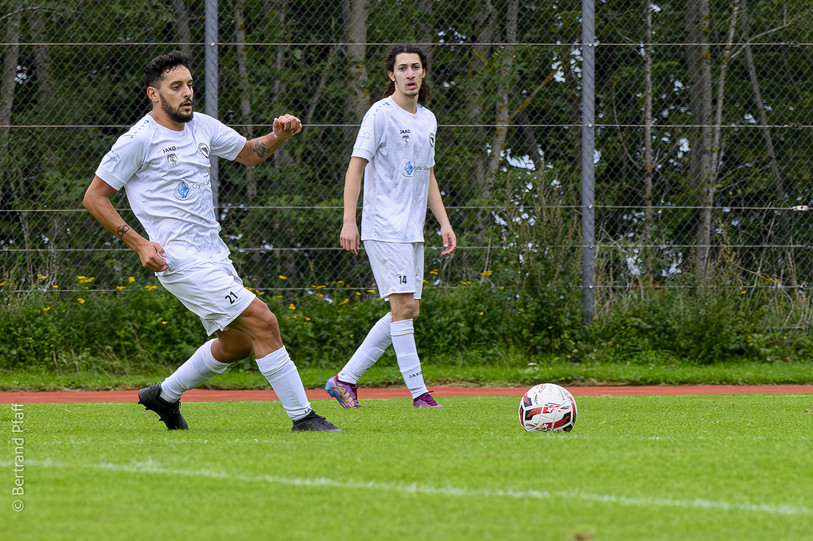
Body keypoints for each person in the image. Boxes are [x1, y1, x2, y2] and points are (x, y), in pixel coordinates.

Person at [84, 51, 342, 432]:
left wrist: (278, 136)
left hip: (213, 253)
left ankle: (164, 395)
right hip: (179, 260)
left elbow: (248, 154)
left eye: (189, 84)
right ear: (154, 95)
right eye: (176, 87)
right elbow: (94, 197)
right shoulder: (137, 140)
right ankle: (304, 418)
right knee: (263, 320)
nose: (187, 93)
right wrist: (139, 243)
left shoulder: (201, 125)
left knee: (237, 342)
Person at [325, 44, 456, 409]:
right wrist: (349, 221)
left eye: (416, 67)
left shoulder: (428, 119)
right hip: (383, 226)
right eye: (403, 68)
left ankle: (344, 379)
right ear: (391, 74)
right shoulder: (379, 114)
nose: (410, 74)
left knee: (408, 310)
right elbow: (356, 166)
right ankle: (420, 394)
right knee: (402, 308)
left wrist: (443, 222)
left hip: (412, 230)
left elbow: (428, 174)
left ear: (424, 73)